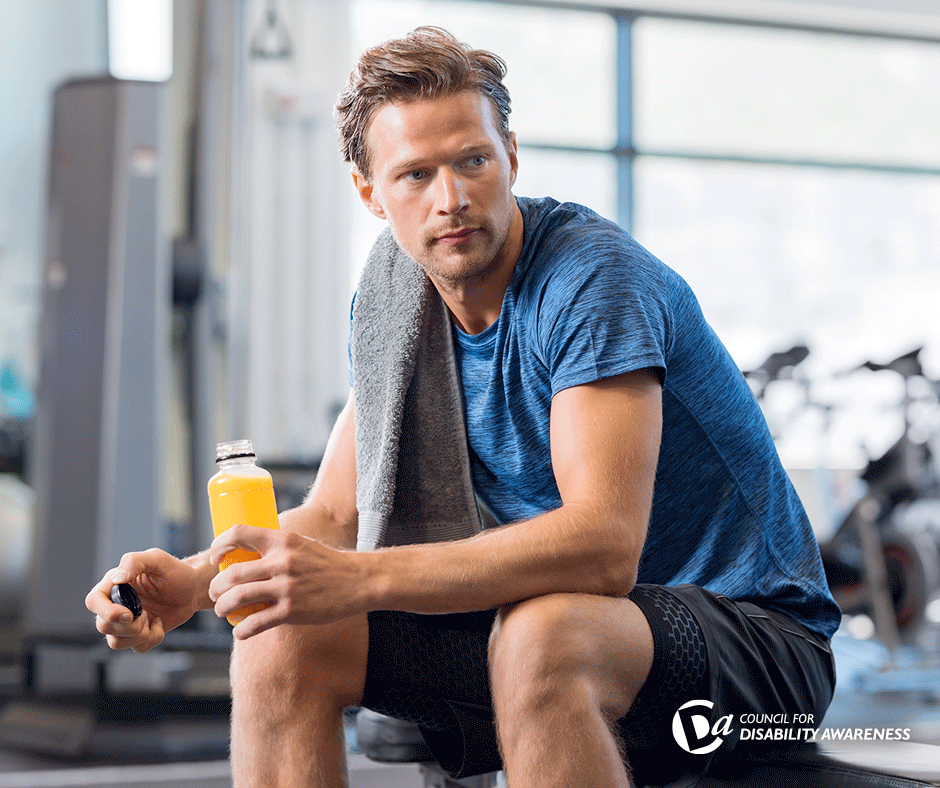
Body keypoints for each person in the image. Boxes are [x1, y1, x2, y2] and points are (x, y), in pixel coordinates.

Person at [87, 26, 840, 788]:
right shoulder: (393, 298)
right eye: (414, 174)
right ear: (370, 193)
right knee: (281, 638)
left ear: (509, 155)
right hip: (552, 628)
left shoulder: (592, 280)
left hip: (756, 654)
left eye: (472, 161)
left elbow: (602, 550)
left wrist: (360, 580)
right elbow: (337, 518)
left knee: (543, 632)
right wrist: (198, 578)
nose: (451, 199)